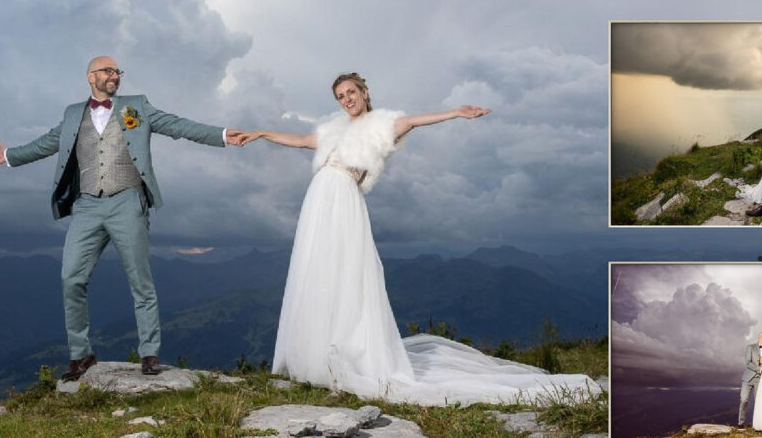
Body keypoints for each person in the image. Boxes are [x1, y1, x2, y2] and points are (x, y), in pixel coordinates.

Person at [238, 72, 597, 406]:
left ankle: (350, 352)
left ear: (364, 92)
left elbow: (412, 121)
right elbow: (301, 140)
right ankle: (319, 354)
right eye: (340, 96)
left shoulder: (384, 124)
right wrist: (261, 134)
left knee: (347, 271)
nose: (346, 99)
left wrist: (456, 112)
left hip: (344, 197)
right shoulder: (333, 129)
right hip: (319, 197)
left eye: (351, 92)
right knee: (318, 271)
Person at [0, 56, 245, 378]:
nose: (115, 76)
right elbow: (46, 144)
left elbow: (177, 125)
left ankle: (149, 353)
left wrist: (221, 135)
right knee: (70, 277)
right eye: (108, 71)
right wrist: (10, 156)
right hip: (86, 205)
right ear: (91, 76)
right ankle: (81, 355)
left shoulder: (135, 107)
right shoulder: (72, 114)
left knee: (140, 281)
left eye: (118, 72)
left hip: (127, 200)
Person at [736, 332, 762, 428]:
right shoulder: (750, 347)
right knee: (744, 400)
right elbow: (748, 362)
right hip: (747, 379)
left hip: (761, 379)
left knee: (759, 402)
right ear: (760, 337)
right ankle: (740, 423)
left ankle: (759, 425)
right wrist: (759, 369)